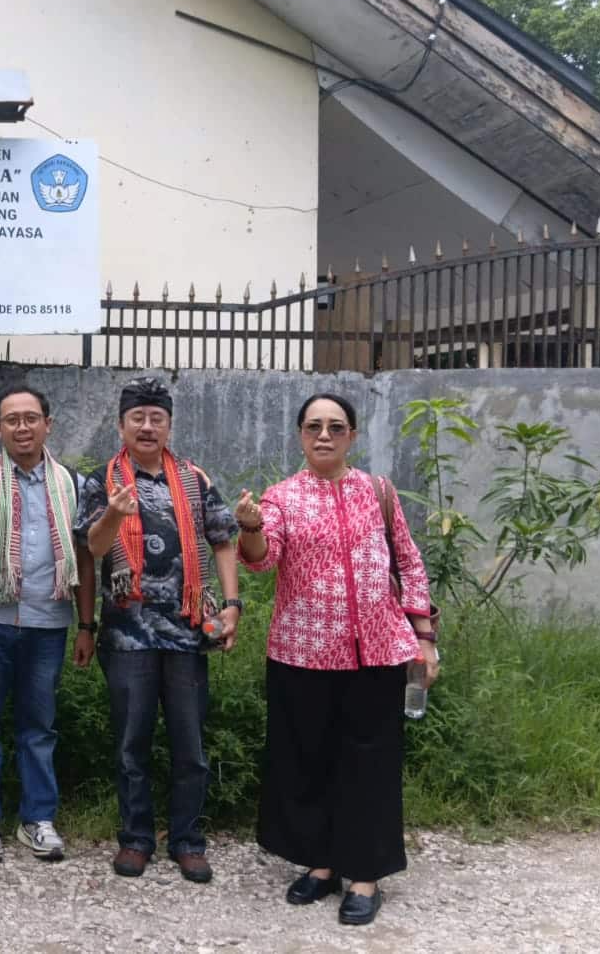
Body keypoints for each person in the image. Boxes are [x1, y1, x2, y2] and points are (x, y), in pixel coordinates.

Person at [236, 392, 438, 926]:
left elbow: (409, 563)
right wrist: (252, 526)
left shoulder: (379, 491)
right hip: (302, 653)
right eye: (313, 427)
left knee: (369, 764)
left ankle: (365, 875)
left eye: (335, 426)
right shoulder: (281, 498)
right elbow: (261, 562)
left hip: (377, 652)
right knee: (308, 761)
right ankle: (322, 864)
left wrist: (425, 635)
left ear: (352, 435)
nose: (324, 436)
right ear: (300, 435)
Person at [75, 375, 241, 884]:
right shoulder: (101, 481)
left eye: (157, 418)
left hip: (188, 632)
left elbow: (224, 538)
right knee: (132, 745)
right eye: (137, 418)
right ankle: (136, 839)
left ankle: (189, 840)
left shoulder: (194, 479)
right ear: (122, 424)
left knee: (190, 746)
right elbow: (94, 549)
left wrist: (232, 603)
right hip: (128, 636)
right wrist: (114, 515)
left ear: (169, 424)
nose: (147, 427)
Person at [0, 385, 96, 862]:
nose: (22, 427)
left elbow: (83, 556)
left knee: (39, 725)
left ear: (47, 425)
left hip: (47, 622)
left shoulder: (72, 485)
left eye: (31, 418)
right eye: (11, 419)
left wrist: (86, 625)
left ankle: (38, 819)